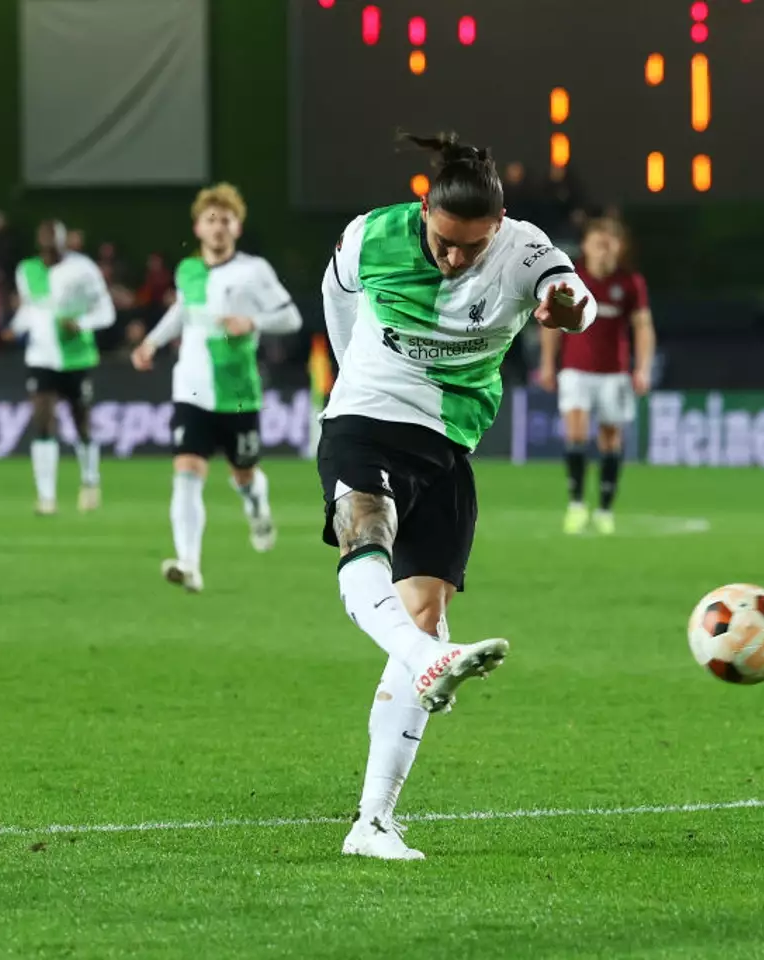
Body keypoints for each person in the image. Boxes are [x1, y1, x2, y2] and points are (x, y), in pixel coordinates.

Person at [319, 132, 596, 860]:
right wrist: (353, 376)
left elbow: (574, 297)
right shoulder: (370, 236)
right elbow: (336, 294)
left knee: (429, 609)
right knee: (364, 529)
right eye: (444, 241)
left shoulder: (525, 247)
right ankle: (424, 657)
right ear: (425, 211)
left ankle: (372, 823)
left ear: (497, 228)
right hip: (366, 417)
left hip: (447, 442)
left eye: (471, 247)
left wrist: (569, 309)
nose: (454, 257)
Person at [131, 184, 302, 593]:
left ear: (237, 228)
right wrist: (151, 342)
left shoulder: (254, 270)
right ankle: (189, 564)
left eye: (226, 220)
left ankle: (257, 506)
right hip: (190, 389)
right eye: (211, 220)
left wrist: (253, 322)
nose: (218, 227)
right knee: (186, 473)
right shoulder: (188, 270)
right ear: (199, 227)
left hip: (238, 390)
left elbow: (291, 317)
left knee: (243, 474)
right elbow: (181, 311)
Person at [538, 218, 655, 535]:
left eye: (610, 243)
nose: (604, 250)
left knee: (610, 439)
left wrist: (643, 368)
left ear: (619, 247)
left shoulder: (630, 282)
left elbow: (642, 327)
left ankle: (604, 509)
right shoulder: (572, 279)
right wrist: (548, 363)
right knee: (575, 433)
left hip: (614, 374)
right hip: (576, 370)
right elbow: (551, 324)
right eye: (598, 242)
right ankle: (576, 504)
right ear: (586, 245)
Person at [9, 220, 115, 515]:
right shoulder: (26, 270)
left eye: (53, 243)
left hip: (76, 357)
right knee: (43, 422)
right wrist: (13, 328)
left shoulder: (83, 269)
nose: (49, 249)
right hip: (41, 357)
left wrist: (80, 324)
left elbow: (106, 311)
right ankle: (46, 497)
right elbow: (31, 309)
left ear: (63, 242)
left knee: (81, 422)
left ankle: (90, 482)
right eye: (44, 243)